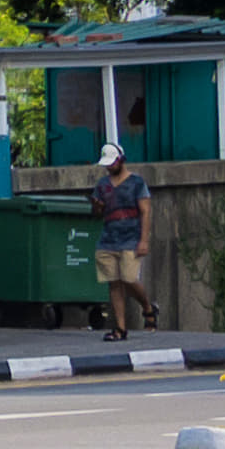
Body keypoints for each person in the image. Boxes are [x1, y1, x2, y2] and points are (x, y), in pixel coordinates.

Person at [87, 142, 154, 339]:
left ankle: (148, 307)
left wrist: (144, 240)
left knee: (129, 278)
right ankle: (120, 328)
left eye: (112, 163)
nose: (109, 167)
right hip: (109, 239)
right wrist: (97, 206)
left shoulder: (136, 182)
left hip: (130, 238)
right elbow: (97, 213)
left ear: (121, 160)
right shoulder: (102, 186)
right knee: (114, 283)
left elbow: (145, 211)